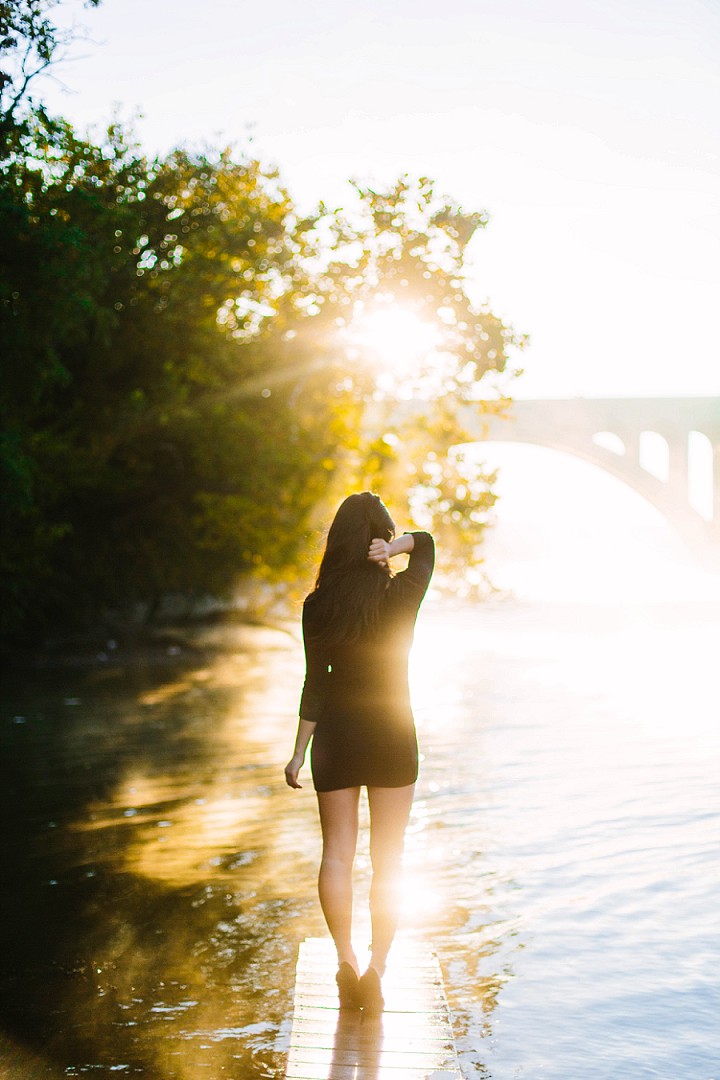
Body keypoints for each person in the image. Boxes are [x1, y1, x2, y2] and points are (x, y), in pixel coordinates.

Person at [284, 491, 435, 1013]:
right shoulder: (402, 595)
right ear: (377, 542)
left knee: (337, 856)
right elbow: (429, 546)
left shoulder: (317, 606)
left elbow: (314, 685)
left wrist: (297, 753)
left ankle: (346, 962)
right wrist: (398, 547)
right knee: (388, 859)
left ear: (336, 542)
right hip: (393, 734)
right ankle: (378, 969)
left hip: (337, 736)